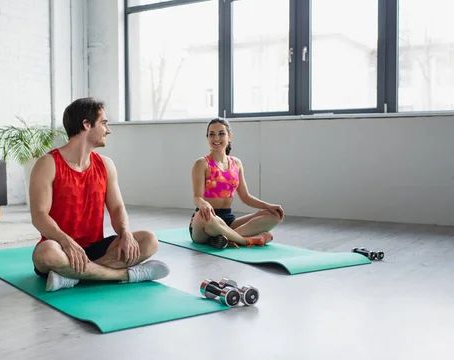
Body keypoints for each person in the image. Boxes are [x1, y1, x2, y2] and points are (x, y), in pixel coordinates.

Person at [30, 97, 169, 292]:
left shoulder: (105, 164)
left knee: (149, 240)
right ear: (86, 125)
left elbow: (117, 207)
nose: (108, 129)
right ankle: (125, 275)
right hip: (61, 247)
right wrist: (66, 241)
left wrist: (125, 234)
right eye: (104, 123)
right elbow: (39, 215)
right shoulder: (48, 164)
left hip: (95, 248)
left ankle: (73, 276)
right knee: (45, 253)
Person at [189, 118, 285, 249]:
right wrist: (203, 203)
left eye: (221, 133)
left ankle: (224, 238)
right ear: (207, 138)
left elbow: (246, 197)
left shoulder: (236, 164)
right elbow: (196, 197)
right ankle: (245, 240)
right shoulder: (201, 164)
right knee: (206, 217)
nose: (216, 138)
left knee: (275, 215)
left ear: (229, 136)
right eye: (212, 134)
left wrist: (269, 206)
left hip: (229, 221)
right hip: (206, 221)